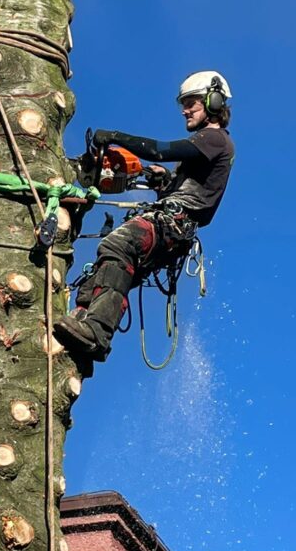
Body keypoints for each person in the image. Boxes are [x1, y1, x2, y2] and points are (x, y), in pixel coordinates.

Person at [53, 70, 235, 361]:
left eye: (192, 102)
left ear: (214, 102)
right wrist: (162, 182)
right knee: (101, 273)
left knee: (117, 245)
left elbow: (160, 150)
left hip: (172, 224)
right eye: (183, 104)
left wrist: (115, 137)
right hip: (172, 228)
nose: (186, 110)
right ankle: (83, 326)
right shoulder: (205, 149)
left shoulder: (214, 139)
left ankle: (97, 331)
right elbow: (183, 185)